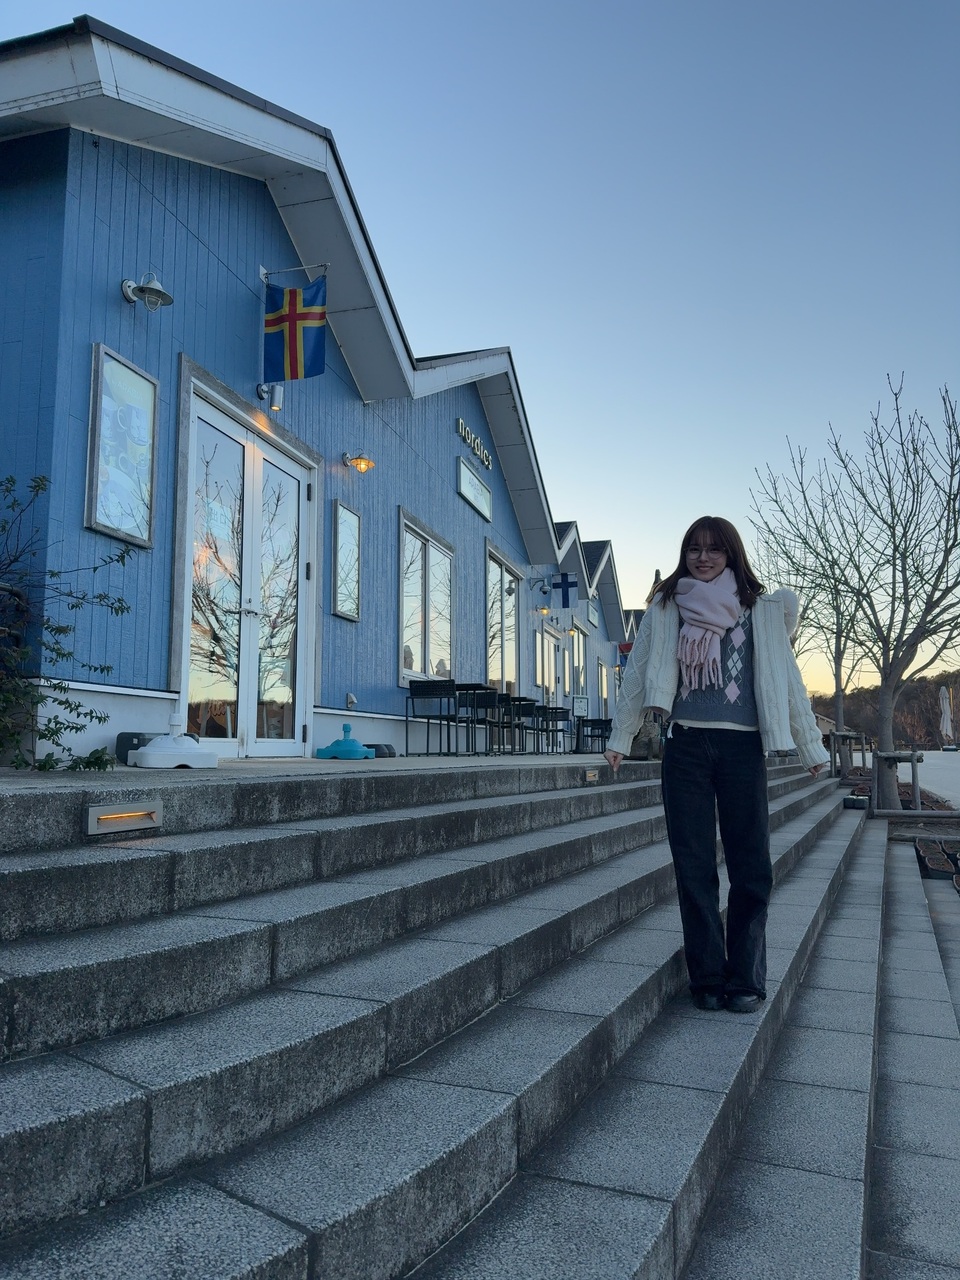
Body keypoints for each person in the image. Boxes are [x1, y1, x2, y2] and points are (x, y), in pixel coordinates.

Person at [604, 516, 829, 1014]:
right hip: (685, 747)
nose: (703, 558)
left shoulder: (762, 611)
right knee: (694, 865)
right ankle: (706, 975)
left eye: (714, 549)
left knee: (751, 865)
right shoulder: (667, 607)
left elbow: (789, 682)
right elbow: (637, 674)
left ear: (732, 554)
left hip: (742, 750)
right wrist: (622, 735)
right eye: (694, 549)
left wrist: (810, 747)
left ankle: (745, 977)